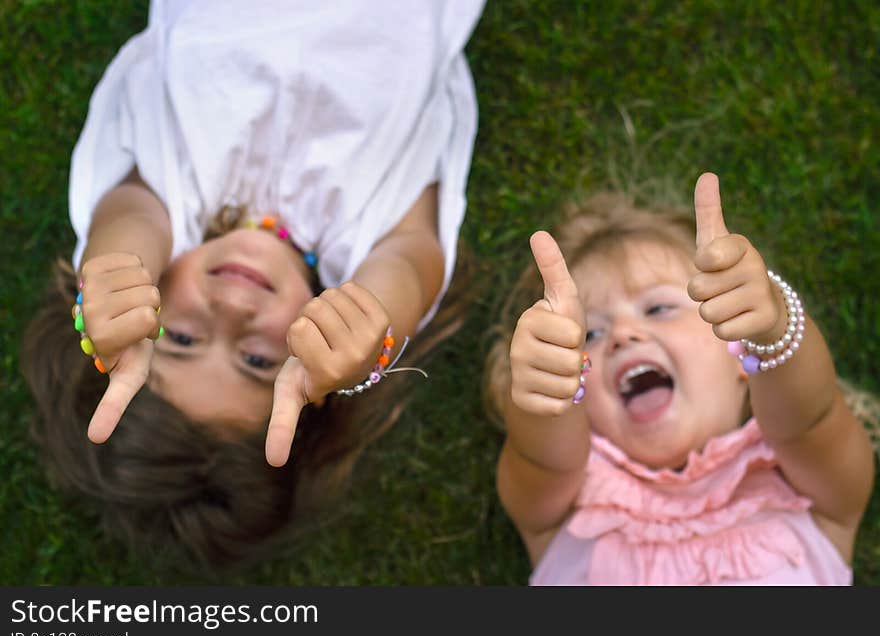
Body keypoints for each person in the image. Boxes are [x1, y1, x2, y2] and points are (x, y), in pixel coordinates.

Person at [21, 0, 484, 566]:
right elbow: (411, 260)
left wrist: (116, 275)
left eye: (182, 338)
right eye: (260, 360)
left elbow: (131, 209)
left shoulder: (174, 200)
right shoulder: (360, 238)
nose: (234, 307)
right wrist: (366, 334)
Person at [485, 173, 876, 585]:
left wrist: (773, 326)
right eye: (590, 336)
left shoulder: (808, 487)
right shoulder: (570, 506)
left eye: (658, 309)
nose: (623, 334)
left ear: (739, 355)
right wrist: (545, 388)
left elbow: (810, 417)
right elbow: (542, 456)